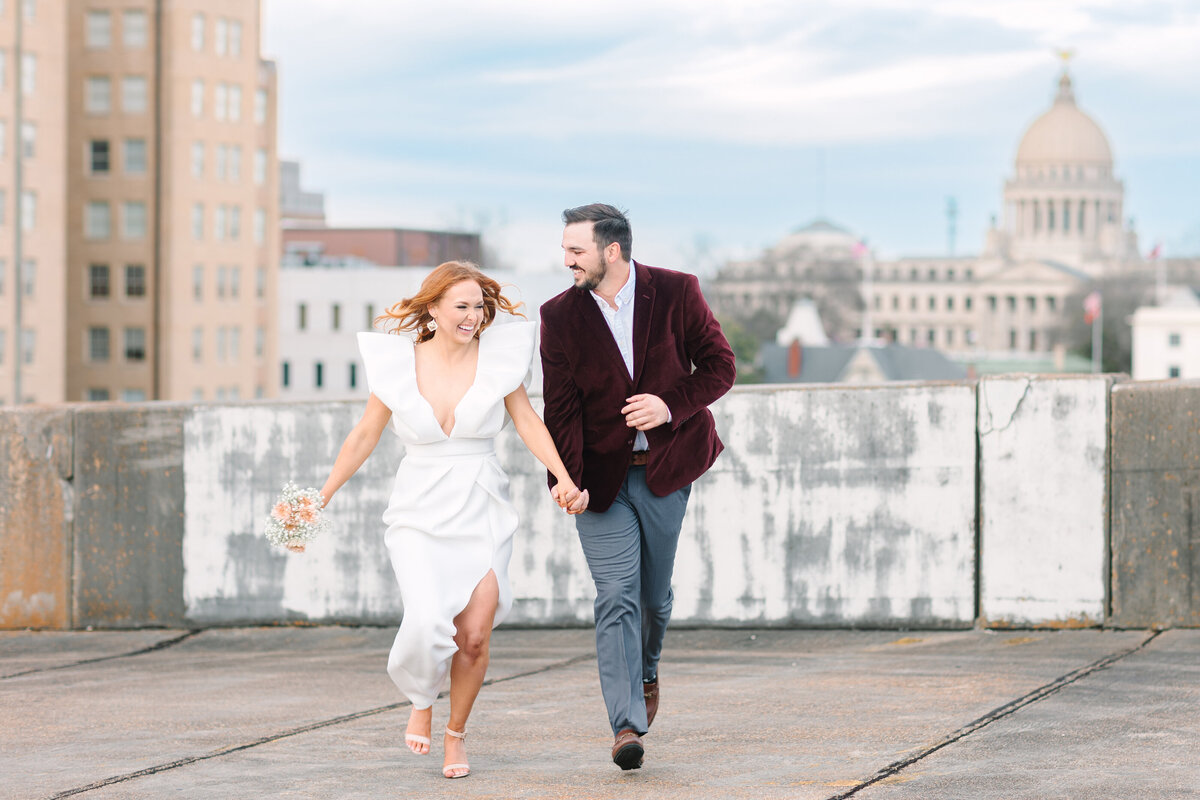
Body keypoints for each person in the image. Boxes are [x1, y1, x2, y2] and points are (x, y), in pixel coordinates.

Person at [308, 261, 587, 780]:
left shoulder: (499, 358)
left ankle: (455, 734)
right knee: (425, 617)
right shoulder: (397, 364)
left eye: (480, 307)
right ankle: (420, 696)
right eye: (461, 306)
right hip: (418, 506)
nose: (473, 316)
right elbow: (365, 435)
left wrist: (563, 477)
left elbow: (527, 420)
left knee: (475, 633)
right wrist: (321, 496)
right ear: (432, 307)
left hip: (482, 499)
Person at [540, 204, 737, 770]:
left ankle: (649, 669)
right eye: (565, 250)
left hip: (666, 469)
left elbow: (720, 366)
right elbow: (561, 410)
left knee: (652, 598)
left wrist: (668, 406)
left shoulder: (677, 292)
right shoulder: (559, 316)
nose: (567, 261)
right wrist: (563, 479)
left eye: (576, 250)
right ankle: (625, 723)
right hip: (597, 483)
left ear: (611, 251)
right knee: (615, 596)